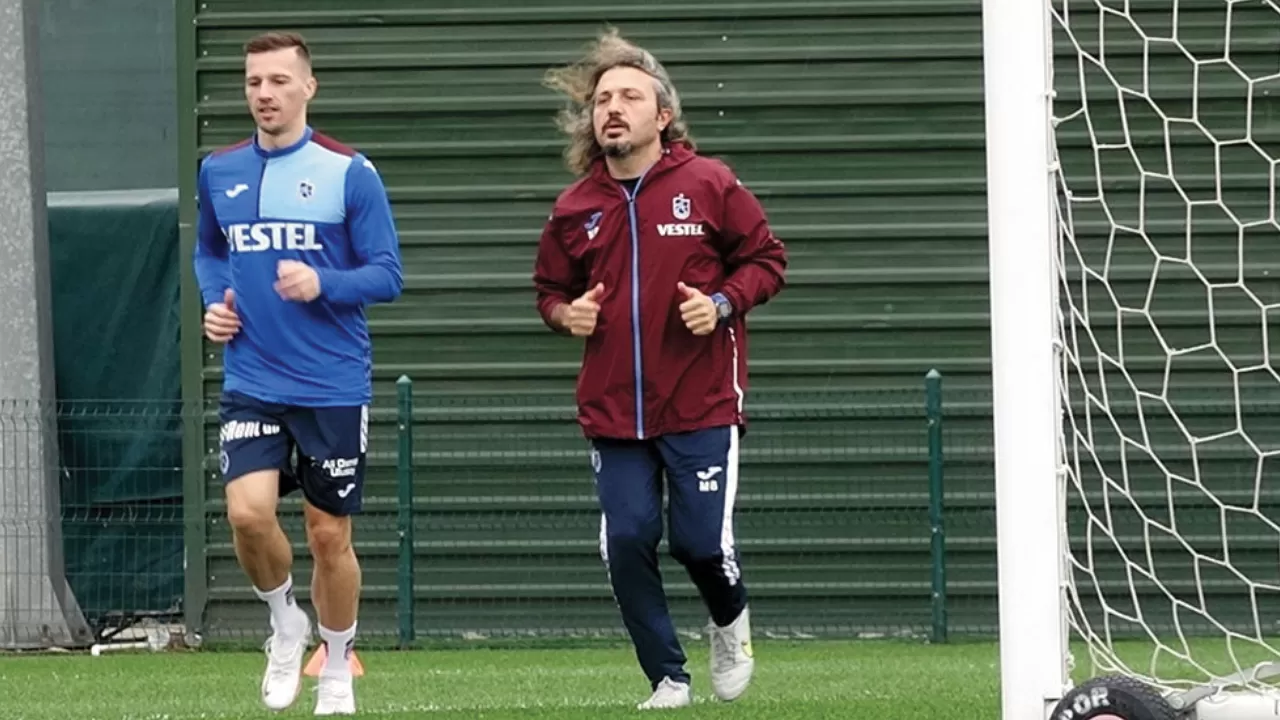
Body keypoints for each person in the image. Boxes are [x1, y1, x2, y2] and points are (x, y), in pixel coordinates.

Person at [533, 28, 788, 710]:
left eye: (629, 97)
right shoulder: (575, 207)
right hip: (614, 410)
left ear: (663, 115)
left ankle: (729, 622)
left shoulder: (709, 183)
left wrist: (722, 303)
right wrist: (564, 314)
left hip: (701, 402)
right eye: (602, 100)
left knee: (699, 545)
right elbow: (549, 290)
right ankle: (667, 677)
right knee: (626, 541)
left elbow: (767, 261)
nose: (612, 109)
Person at [193, 30, 403, 716]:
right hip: (253, 378)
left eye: (279, 81)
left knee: (327, 534)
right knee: (247, 514)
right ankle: (286, 621)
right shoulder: (218, 171)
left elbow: (387, 274)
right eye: (254, 81)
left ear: (308, 87)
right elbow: (209, 252)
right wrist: (216, 303)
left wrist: (324, 283)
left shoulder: (349, 172)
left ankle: (336, 668)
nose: (265, 94)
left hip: (332, 383)